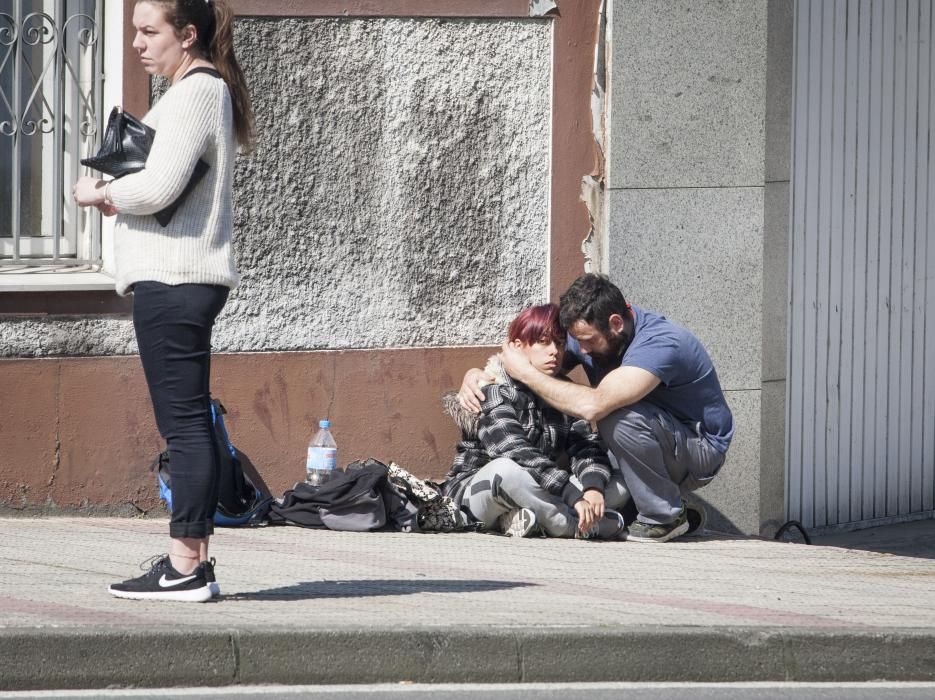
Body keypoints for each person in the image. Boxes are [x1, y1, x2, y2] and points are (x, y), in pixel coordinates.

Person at [72, 0, 254, 601]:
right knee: (189, 421)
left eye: (150, 32)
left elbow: (157, 186)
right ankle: (191, 563)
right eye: (134, 33)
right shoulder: (194, 91)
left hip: (175, 282)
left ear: (189, 34)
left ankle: (184, 567)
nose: (138, 44)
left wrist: (98, 191)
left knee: (185, 426)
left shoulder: (198, 90)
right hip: (178, 280)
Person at [459, 274, 733, 543]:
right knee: (532, 473)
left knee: (613, 415)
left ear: (615, 323)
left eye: (586, 341)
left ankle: (664, 515)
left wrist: (588, 488)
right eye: (574, 341)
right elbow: (538, 377)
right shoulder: (588, 334)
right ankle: (608, 518)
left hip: (696, 449)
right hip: (626, 445)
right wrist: (479, 373)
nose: (579, 350)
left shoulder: (662, 343)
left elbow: (591, 407)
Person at [442, 303, 629, 540]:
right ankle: (573, 526)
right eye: (543, 341)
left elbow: (586, 446)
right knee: (508, 471)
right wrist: (572, 494)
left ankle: (530, 519)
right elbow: (514, 451)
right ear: (517, 348)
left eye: (560, 343)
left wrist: (592, 487)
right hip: (480, 492)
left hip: (543, 487)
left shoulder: (563, 393)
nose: (554, 351)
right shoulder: (493, 389)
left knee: (621, 481)